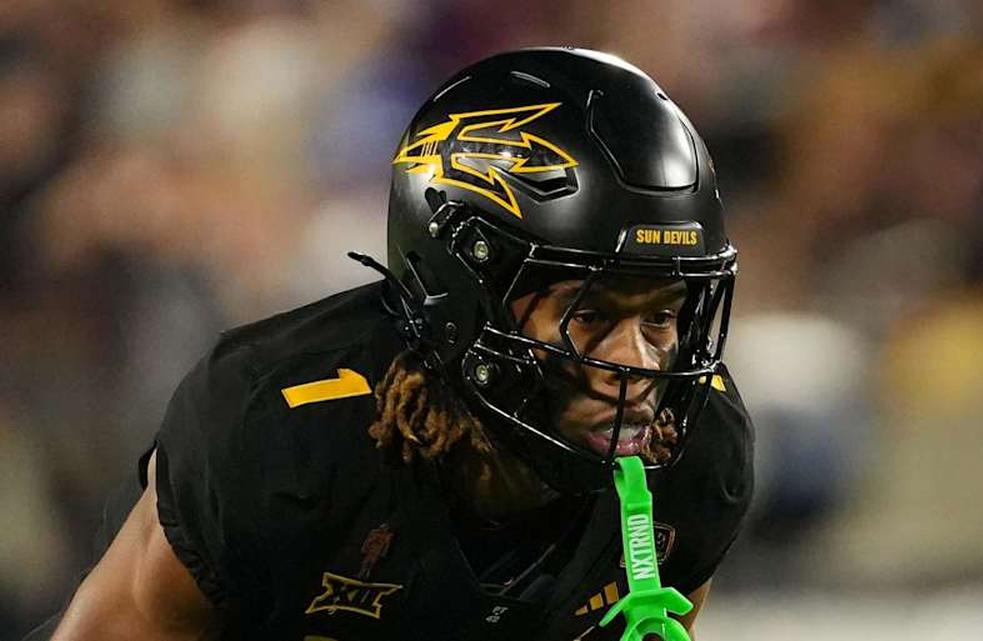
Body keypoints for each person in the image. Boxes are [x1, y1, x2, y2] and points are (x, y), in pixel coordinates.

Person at [38, 47, 754, 641]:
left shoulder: (695, 456)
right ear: (465, 296)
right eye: (590, 315)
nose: (638, 363)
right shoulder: (286, 431)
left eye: (662, 317)